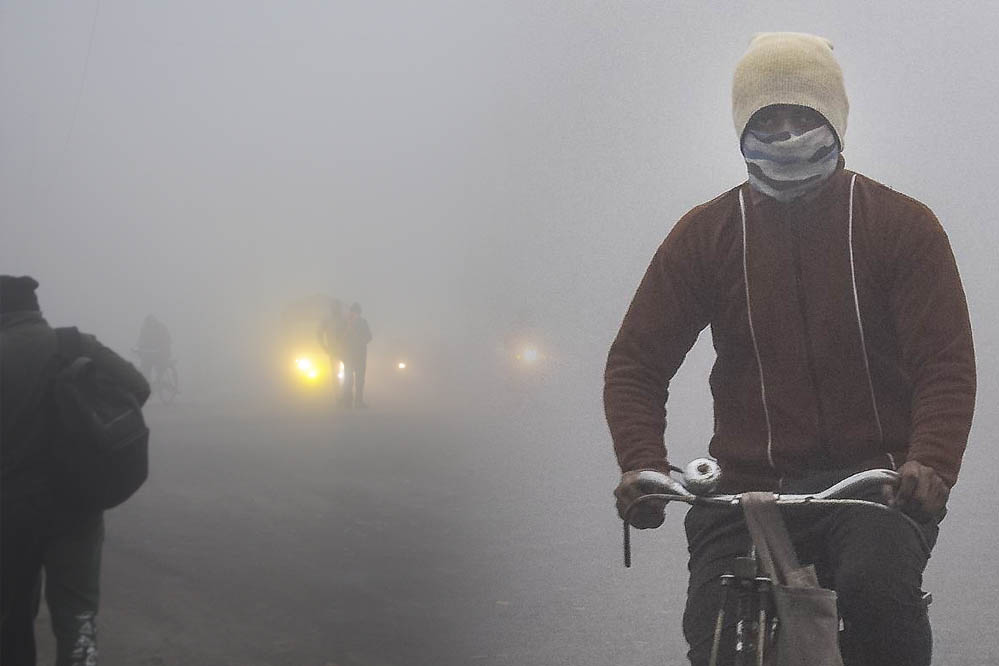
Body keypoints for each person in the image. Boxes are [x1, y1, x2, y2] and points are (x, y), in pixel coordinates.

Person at [604, 33, 975, 666]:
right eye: (766, 120)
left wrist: (931, 462)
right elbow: (636, 364)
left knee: (877, 594)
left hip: (872, 484)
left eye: (801, 116)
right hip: (746, 488)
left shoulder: (901, 225)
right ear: (741, 129)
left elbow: (944, 365)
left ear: (833, 119)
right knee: (715, 632)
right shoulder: (706, 235)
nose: (784, 133)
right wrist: (642, 464)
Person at [1, 276, 151, 665]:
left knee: (11, 615)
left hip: (10, 509)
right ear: (35, 310)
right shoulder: (74, 344)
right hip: (77, 501)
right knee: (77, 616)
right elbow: (139, 387)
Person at [341, 302, 372, 408]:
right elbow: (341, 339)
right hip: (353, 355)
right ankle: (350, 401)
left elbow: (369, 337)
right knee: (351, 379)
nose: (354, 314)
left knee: (356, 379)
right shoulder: (347, 323)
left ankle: (355, 402)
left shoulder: (362, 322)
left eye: (355, 312)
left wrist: (360, 341)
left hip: (356, 355)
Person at [317, 298, 346, 394]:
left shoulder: (344, 319)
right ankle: (338, 394)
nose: (336, 309)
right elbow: (319, 333)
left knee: (346, 373)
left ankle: (344, 393)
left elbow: (351, 333)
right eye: (334, 307)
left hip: (344, 350)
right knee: (335, 373)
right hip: (333, 350)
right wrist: (324, 346)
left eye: (337, 307)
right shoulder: (327, 320)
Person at [135, 314, 172, 381]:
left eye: (152, 322)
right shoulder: (144, 328)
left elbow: (167, 340)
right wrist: (139, 348)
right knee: (145, 369)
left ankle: (158, 381)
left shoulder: (161, 328)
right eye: (149, 323)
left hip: (160, 354)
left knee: (161, 367)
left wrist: (163, 349)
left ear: (155, 321)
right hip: (148, 354)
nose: (151, 324)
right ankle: (148, 382)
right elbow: (141, 340)